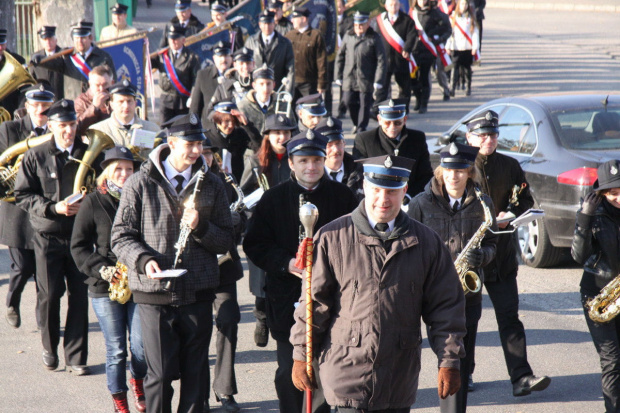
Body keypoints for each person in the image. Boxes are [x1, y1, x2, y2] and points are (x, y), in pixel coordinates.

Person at [290, 154, 467, 412]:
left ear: (405, 190)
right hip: (346, 376)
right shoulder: (331, 237)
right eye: (376, 190)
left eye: (392, 192)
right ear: (364, 187)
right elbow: (314, 303)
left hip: (398, 378)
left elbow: (446, 307)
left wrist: (449, 360)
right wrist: (300, 354)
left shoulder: (427, 242)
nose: (383, 199)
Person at [110, 113, 234, 413]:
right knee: (161, 373)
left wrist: (201, 226)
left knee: (196, 373)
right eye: (189, 144)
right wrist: (144, 261)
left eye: (200, 144)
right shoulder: (139, 183)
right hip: (154, 293)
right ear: (171, 143)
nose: (196, 151)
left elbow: (227, 240)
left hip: (198, 291)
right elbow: (120, 236)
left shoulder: (213, 184)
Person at [243, 129, 358, 413]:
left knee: (322, 372)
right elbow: (255, 244)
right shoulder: (272, 199)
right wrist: (286, 263)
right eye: (303, 160)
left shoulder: (344, 198)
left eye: (316, 161)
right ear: (291, 163)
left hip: (333, 299)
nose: (311, 167)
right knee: (289, 372)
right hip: (287, 298)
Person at [464, 109, 551, 396]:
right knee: (467, 320)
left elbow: (524, 199)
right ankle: (464, 375)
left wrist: (511, 213)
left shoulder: (510, 165)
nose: (488, 139)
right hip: (471, 256)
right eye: (482, 135)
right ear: (470, 137)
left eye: (492, 134)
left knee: (509, 317)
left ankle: (521, 377)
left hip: (501, 257)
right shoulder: (461, 166)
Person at [408, 142, 497, 413]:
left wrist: (484, 257)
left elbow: (493, 243)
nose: (453, 175)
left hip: (467, 293)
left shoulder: (483, 202)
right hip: (430, 289)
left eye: (460, 170)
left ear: (469, 172)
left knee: (459, 358)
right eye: (448, 169)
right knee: (426, 353)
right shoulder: (421, 203)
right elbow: (408, 243)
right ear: (440, 171)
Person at [14, 99, 95, 375]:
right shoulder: (35, 155)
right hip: (47, 237)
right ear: (51, 126)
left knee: (80, 297)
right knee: (49, 296)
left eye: (72, 125)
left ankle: (76, 357)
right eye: (63, 126)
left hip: (80, 237)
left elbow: (99, 186)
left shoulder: (87, 152)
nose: (68, 131)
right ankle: (49, 347)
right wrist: (53, 208)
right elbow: (23, 195)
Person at [70, 147, 146, 413]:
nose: (124, 174)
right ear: (107, 172)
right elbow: (78, 246)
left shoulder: (142, 197)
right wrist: (103, 270)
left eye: (129, 168)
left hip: (138, 281)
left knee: (141, 346)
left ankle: (139, 385)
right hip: (105, 286)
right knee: (116, 350)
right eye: (118, 169)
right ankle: (119, 401)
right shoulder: (93, 201)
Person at [239, 114, 296, 348]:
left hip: (290, 228)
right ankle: (261, 317)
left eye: (285, 133)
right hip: (264, 229)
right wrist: (257, 208)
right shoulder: (255, 162)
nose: (281, 137)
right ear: (267, 136)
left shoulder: (296, 159)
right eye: (276, 133)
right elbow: (241, 198)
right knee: (261, 283)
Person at [0, 84, 54, 329]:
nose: (40, 110)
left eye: (45, 106)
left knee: (44, 273)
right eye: (36, 105)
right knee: (22, 266)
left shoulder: (57, 131)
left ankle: (44, 320)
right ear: (27, 106)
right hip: (16, 211)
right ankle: (12, 301)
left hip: (44, 207)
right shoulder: (9, 129)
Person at [571, 160, 620, 413]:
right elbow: (579, 256)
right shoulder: (594, 214)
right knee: (612, 360)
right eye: (613, 193)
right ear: (601, 193)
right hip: (598, 294)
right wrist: (584, 218)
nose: (619, 197)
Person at [201, 141, 245, 413]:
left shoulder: (225, 181)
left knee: (228, 321)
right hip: (193, 269)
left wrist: (237, 222)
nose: (204, 156)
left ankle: (224, 389)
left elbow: (243, 222)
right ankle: (197, 391)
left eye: (207, 152)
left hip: (224, 265)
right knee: (197, 331)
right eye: (199, 150)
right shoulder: (180, 181)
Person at [353, 99, 433, 198]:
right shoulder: (365, 140)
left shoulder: (417, 139)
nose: (392, 127)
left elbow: (425, 175)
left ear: (405, 120)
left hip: (410, 199)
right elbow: (359, 175)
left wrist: (408, 196)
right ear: (379, 119)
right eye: (387, 123)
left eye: (397, 123)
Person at [31, 21, 116, 100]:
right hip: (73, 103)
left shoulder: (103, 57)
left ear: (90, 37)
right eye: (76, 38)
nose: (79, 41)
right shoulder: (66, 56)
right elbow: (52, 63)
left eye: (83, 38)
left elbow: (113, 81)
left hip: (97, 102)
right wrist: (39, 59)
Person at [336, 11, 386, 134]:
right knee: (348, 101)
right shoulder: (349, 36)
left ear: (368, 23)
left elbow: (381, 60)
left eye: (362, 24)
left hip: (366, 77)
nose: (358, 27)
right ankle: (355, 123)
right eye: (356, 24)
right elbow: (340, 56)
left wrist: (378, 80)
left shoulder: (374, 37)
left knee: (364, 103)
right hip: (349, 77)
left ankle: (361, 128)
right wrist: (338, 76)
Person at [89, 79, 159, 159]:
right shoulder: (97, 130)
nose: (126, 106)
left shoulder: (152, 129)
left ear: (135, 103)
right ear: (111, 104)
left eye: (129, 101)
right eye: (121, 102)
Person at [151, 25, 201, 123]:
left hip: (183, 101)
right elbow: (148, 63)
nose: (173, 41)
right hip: (166, 99)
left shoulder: (192, 57)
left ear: (183, 40)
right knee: (164, 130)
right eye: (171, 38)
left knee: (182, 129)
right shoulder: (162, 55)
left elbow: (196, 80)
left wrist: (192, 98)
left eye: (176, 39)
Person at [371, 0, 416, 110]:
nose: (393, 7)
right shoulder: (379, 20)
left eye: (396, 4)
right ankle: (380, 109)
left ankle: (403, 109)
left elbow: (411, 36)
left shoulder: (407, 20)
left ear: (399, 5)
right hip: (384, 60)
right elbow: (374, 37)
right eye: (391, 4)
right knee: (383, 86)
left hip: (401, 59)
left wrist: (407, 48)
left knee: (404, 87)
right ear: (386, 6)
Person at [410, 0, 452, 113]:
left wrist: (435, 39)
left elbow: (447, 29)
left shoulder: (435, 13)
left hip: (428, 50)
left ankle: (424, 103)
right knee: (413, 79)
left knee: (425, 77)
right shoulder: (412, 13)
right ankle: (418, 99)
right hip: (414, 50)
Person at [244, 9, 295, 96]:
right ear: (260, 24)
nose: (267, 27)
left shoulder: (285, 43)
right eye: (264, 24)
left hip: (277, 89)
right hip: (256, 89)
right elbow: (245, 66)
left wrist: (287, 93)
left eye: (269, 24)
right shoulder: (251, 41)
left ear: (274, 24)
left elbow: (290, 70)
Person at [285, 7, 328, 102]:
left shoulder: (315, 35)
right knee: (291, 112)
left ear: (303, 19)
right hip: (291, 82)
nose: (292, 20)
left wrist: (321, 84)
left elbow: (321, 61)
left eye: (295, 18)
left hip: (309, 83)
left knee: (309, 110)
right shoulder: (289, 36)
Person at [315, 116, 363, 199]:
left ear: (344, 143)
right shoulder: (312, 173)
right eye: (329, 145)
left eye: (338, 143)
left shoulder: (358, 170)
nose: (335, 149)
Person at [205, 101, 252, 182]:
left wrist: (247, 125)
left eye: (233, 122)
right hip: (213, 182)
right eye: (226, 121)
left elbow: (259, 146)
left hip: (237, 182)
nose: (230, 125)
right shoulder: (207, 136)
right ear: (217, 120)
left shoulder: (240, 134)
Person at [190, 41, 233, 126]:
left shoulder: (237, 75)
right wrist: (193, 130)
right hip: (210, 131)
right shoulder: (203, 76)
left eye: (226, 55)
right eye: (220, 56)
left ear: (231, 57)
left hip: (233, 129)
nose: (223, 59)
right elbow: (195, 108)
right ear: (214, 58)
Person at [446, 0, 479, 97]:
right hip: (456, 47)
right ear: (458, 5)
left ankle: (468, 88)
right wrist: (447, 46)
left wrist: (475, 47)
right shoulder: (453, 17)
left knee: (466, 68)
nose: (464, 6)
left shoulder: (471, 17)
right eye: (462, 4)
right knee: (454, 68)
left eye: (465, 4)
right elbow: (449, 33)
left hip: (467, 47)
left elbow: (475, 33)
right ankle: (452, 88)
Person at [237, 65, 277, 146]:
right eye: (261, 84)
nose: (265, 88)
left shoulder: (282, 104)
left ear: (274, 85)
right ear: (254, 85)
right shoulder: (243, 106)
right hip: (251, 154)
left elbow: (293, 129)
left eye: (268, 84)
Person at [74, 64, 114, 138]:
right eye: (97, 85)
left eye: (105, 84)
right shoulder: (81, 101)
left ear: (112, 83)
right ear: (90, 84)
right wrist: (94, 107)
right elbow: (77, 128)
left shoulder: (117, 99)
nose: (101, 89)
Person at [30, 26, 64, 100]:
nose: (48, 42)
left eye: (50, 39)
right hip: (42, 100)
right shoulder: (35, 58)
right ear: (41, 41)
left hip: (60, 100)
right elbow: (32, 79)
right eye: (45, 39)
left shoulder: (63, 55)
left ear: (56, 40)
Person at [0, 29, 27, 117]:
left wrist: (20, 110)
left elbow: (25, 89)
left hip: (12, 111)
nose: (0, 48)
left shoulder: (18, 60)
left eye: (2, 44)